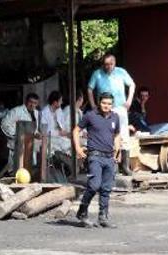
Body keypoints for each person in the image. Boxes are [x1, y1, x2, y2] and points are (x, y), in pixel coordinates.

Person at [74, 92, 121, 229]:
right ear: (99, 103)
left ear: (112, 105)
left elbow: (117, 134)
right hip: (95, 156)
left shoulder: (115, 117)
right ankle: (82, 212)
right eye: (104, 103)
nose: (106, 106)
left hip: (109, 157)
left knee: (106, 188)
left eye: (109, 104)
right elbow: (76, 130)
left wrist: (117, 150)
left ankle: (103, 217)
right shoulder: (90, 115)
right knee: (94, 185)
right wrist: (78, 148)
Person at [87, 53, 135, 175]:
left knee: (123, 134)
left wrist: (129, 100)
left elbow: (132, 84)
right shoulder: (97, 73)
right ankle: (112, 166)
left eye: (110, 64)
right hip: (104, 108)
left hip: (120, 107)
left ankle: (125, 166)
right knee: (107, 136)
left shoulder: (121, 72)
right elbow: (89, 89)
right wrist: (93, 105)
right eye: (106, 64)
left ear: (114, 63)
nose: (108, 66)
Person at [0, 93, 40, 170]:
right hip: (17, 142)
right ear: (26, 101)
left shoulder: (36, 113)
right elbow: (4, 124)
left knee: (30, 166)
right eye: (30, 102)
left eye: (35, 103)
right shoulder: (16, 111)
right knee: (15, 168)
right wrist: (17, 134)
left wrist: (37, 134)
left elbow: (34, 129)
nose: (32, 105)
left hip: (30, 143)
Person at [39, 91, 72, 155]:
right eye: (60, 101)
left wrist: (67, 133)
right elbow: (44, 131)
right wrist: (59, 133)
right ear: (55, 102)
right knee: (64, 145)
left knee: (72, 143)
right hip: (49, 138)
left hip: (60, 137)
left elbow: (63, 125)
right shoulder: (44, 112)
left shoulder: (59, 111)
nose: (62, 103)